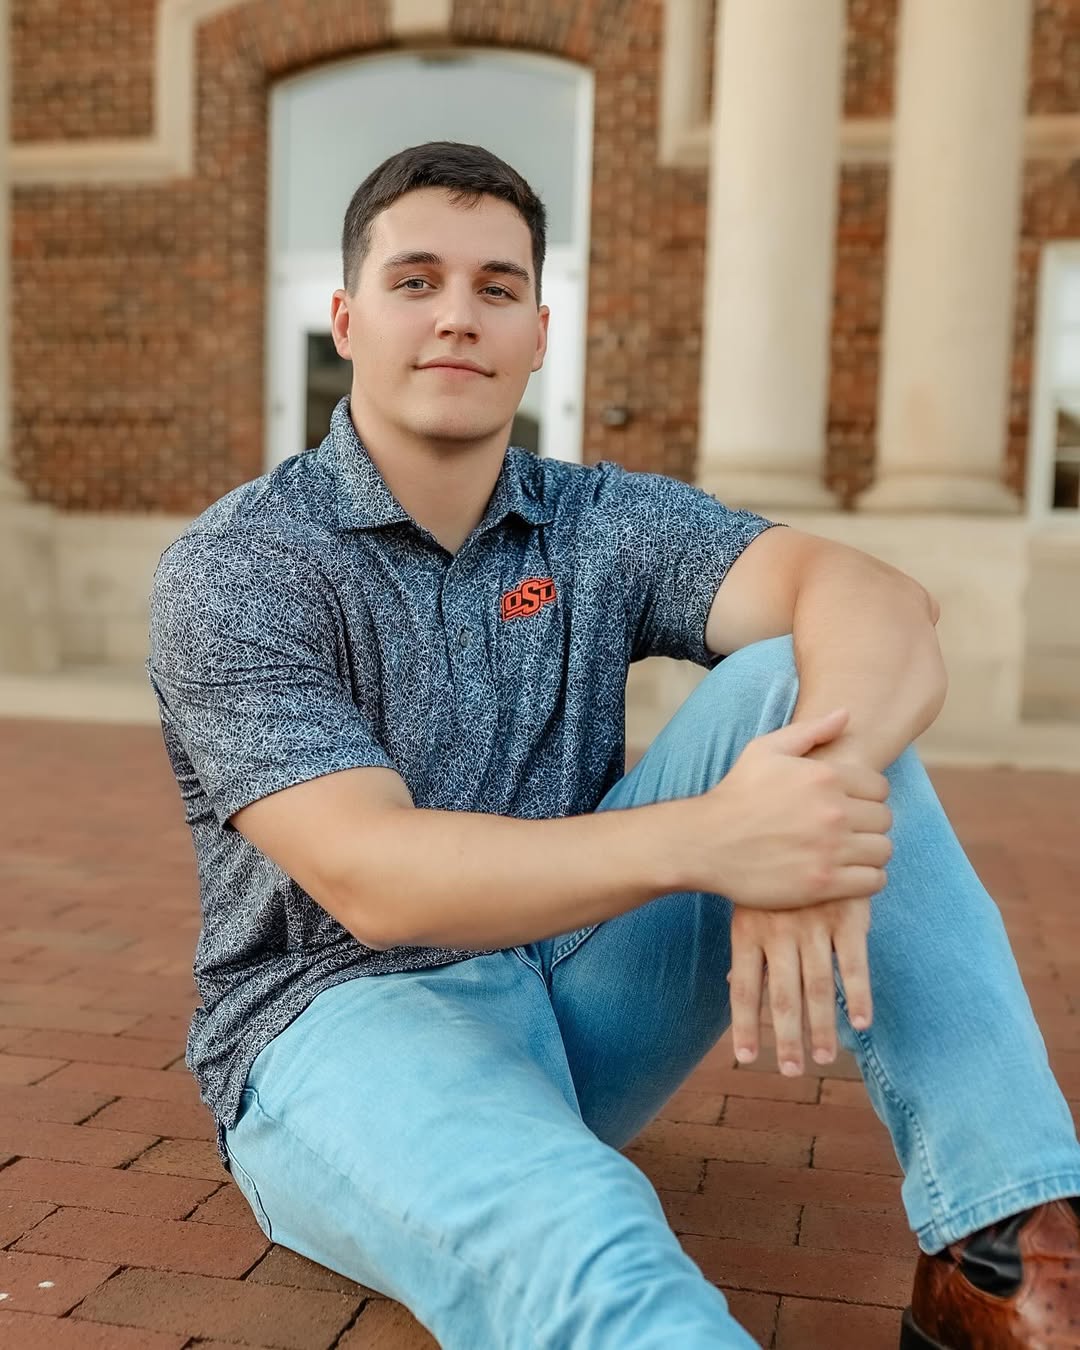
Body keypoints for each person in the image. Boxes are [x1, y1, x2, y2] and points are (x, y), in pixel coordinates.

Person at [147, 141, 1080, 1349]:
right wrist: (722, 841)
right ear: (346, 320)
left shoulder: (593, 521)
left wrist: (815, 801)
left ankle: (1005, 1253)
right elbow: (376, 879)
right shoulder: (240, 565)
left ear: (539, 333)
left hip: (582, 993)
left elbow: (874, 597)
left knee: (802, 682)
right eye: (416, 281)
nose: (457, 316)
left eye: (496, 288)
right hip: (336, 1020)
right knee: (592, 1244)